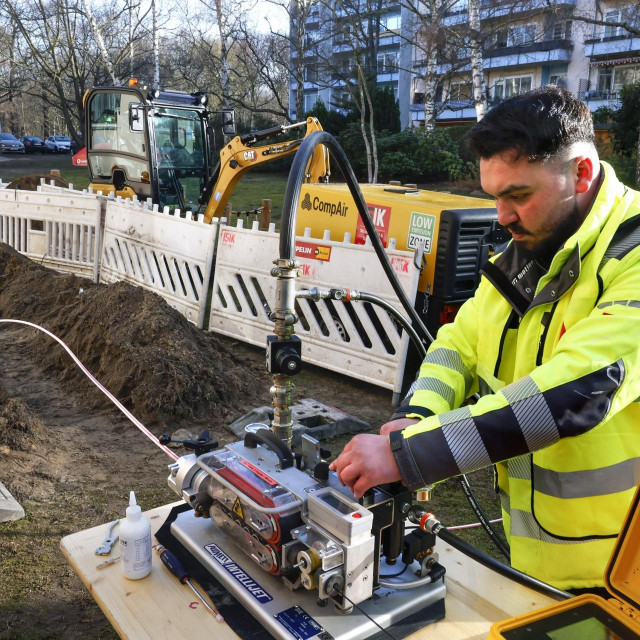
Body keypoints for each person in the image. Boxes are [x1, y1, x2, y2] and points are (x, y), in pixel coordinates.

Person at [329, 86, 640, 591]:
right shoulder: (530, 250)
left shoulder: (632, 257)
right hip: (534, 557)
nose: (502, 216)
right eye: (494, 197)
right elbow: (459, 343)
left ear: (581, 173)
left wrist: (409, 454)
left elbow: (573, 394)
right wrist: (417, 417)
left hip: (616, 576)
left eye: (518, 195)